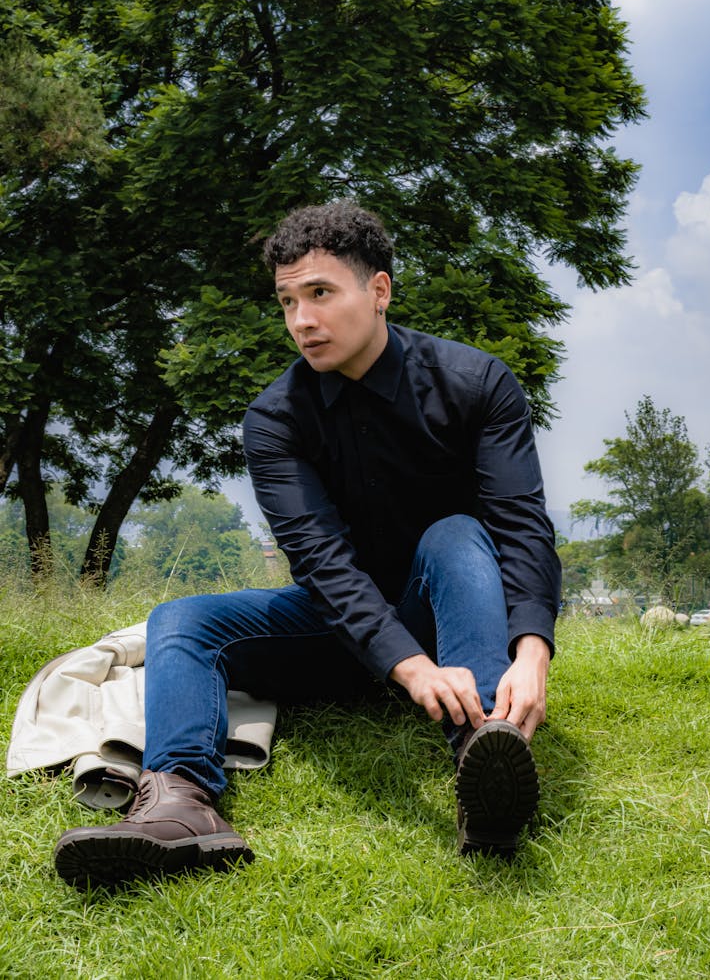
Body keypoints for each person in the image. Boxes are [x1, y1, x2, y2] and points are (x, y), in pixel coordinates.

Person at [54, 201, 561, 890]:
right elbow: (320, 561)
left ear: (378, 290)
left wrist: (530, 651)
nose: (301, 320)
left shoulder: (477, 383)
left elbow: (521, 523)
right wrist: (408, 668)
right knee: (179, 621)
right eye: (288, 300)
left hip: (449, 617)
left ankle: (485, 753)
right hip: (336, 626)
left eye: (320, 293)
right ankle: (181, 804)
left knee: (457, 532)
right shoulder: (274, 419)